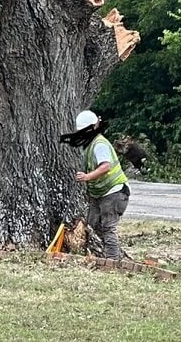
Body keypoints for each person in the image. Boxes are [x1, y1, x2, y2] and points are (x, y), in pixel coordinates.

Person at [68, 109, 130, 260]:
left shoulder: (99, 144)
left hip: (114, 192)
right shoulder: (90, 144)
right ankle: (99, 255)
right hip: (101, 194)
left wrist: (87, 177)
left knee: (108, 228)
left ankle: (113, 261)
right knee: (92, 224)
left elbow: (105, 166)